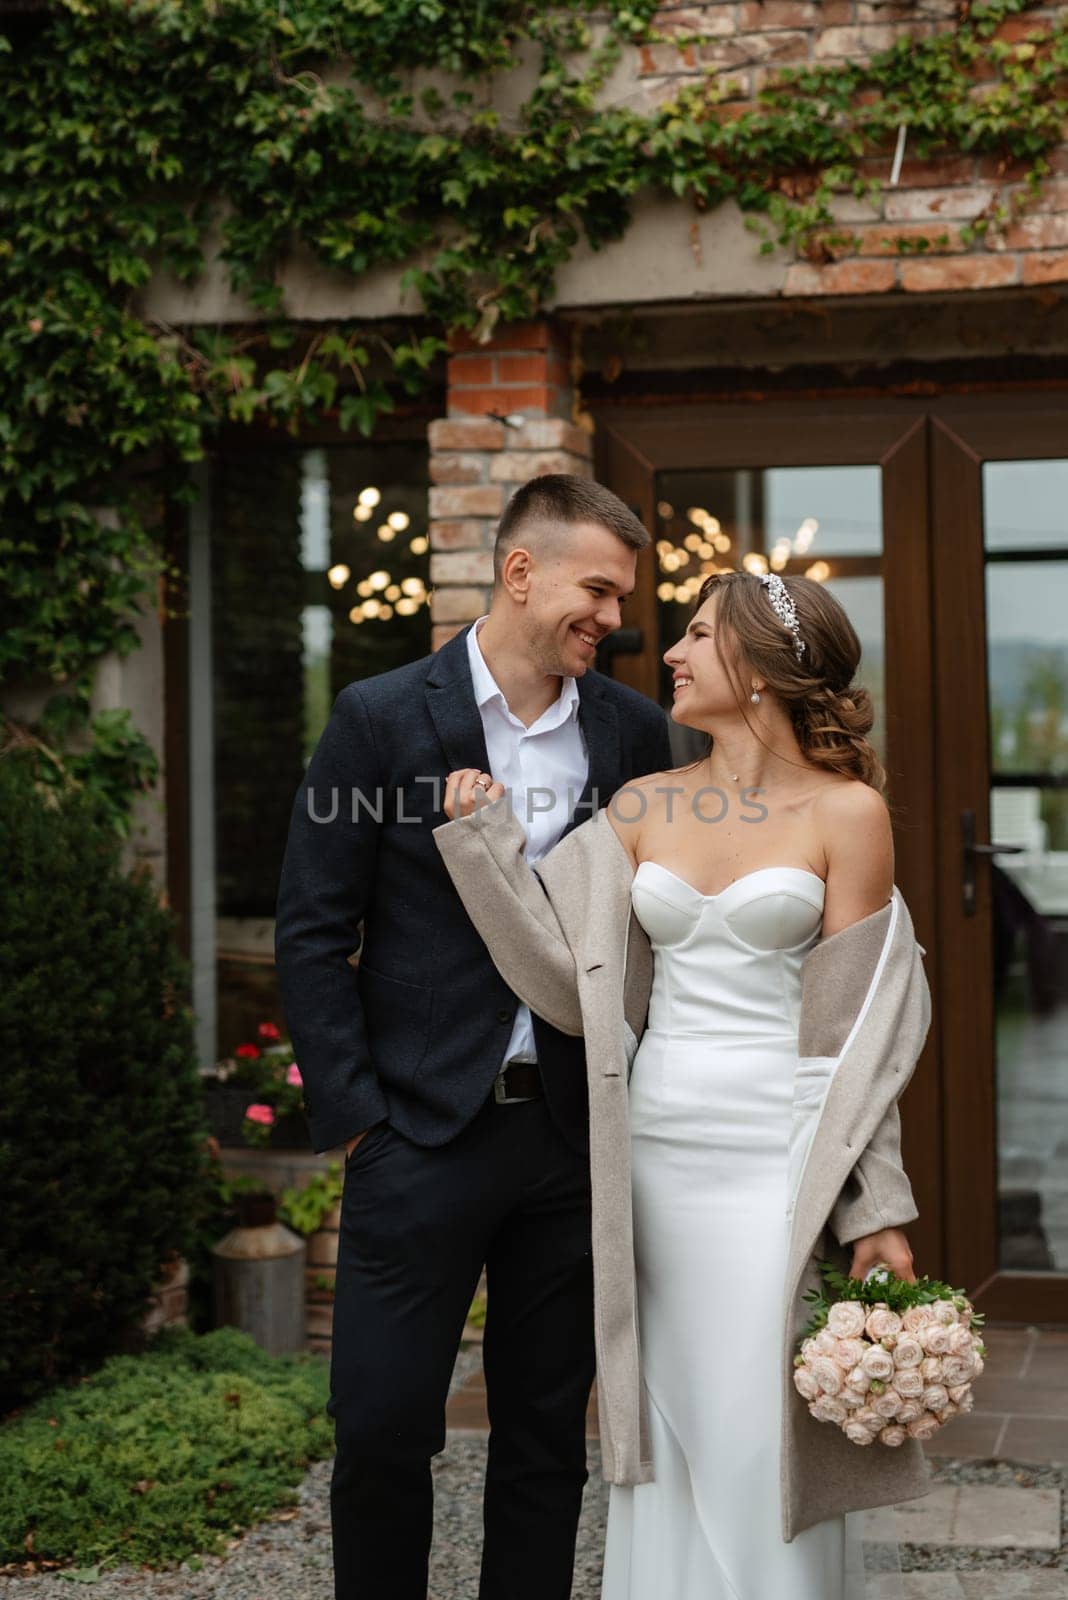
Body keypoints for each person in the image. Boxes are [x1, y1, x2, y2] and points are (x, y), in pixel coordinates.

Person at [435, 568, 933, 1600]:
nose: (670, 651)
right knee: (669, 1424)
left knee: (762, 1427)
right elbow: (560, 979)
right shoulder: (641, 805)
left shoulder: (850, 814)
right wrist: (484, 846)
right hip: (653, 1159)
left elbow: (858, 1034)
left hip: (779, 1161)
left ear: (754, 667)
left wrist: (875, 1208)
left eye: (698, 635)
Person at [274, 473, 673, 1600]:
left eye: (619, 596)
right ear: (520, 571)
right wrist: (358, 1120)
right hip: (417, 1133)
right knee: (385, 1427)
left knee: (547, 1439)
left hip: (565, 1139)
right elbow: (312, 930)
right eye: (596, 588)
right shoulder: (380, 716)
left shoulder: (634, 731)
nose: (610, 614)